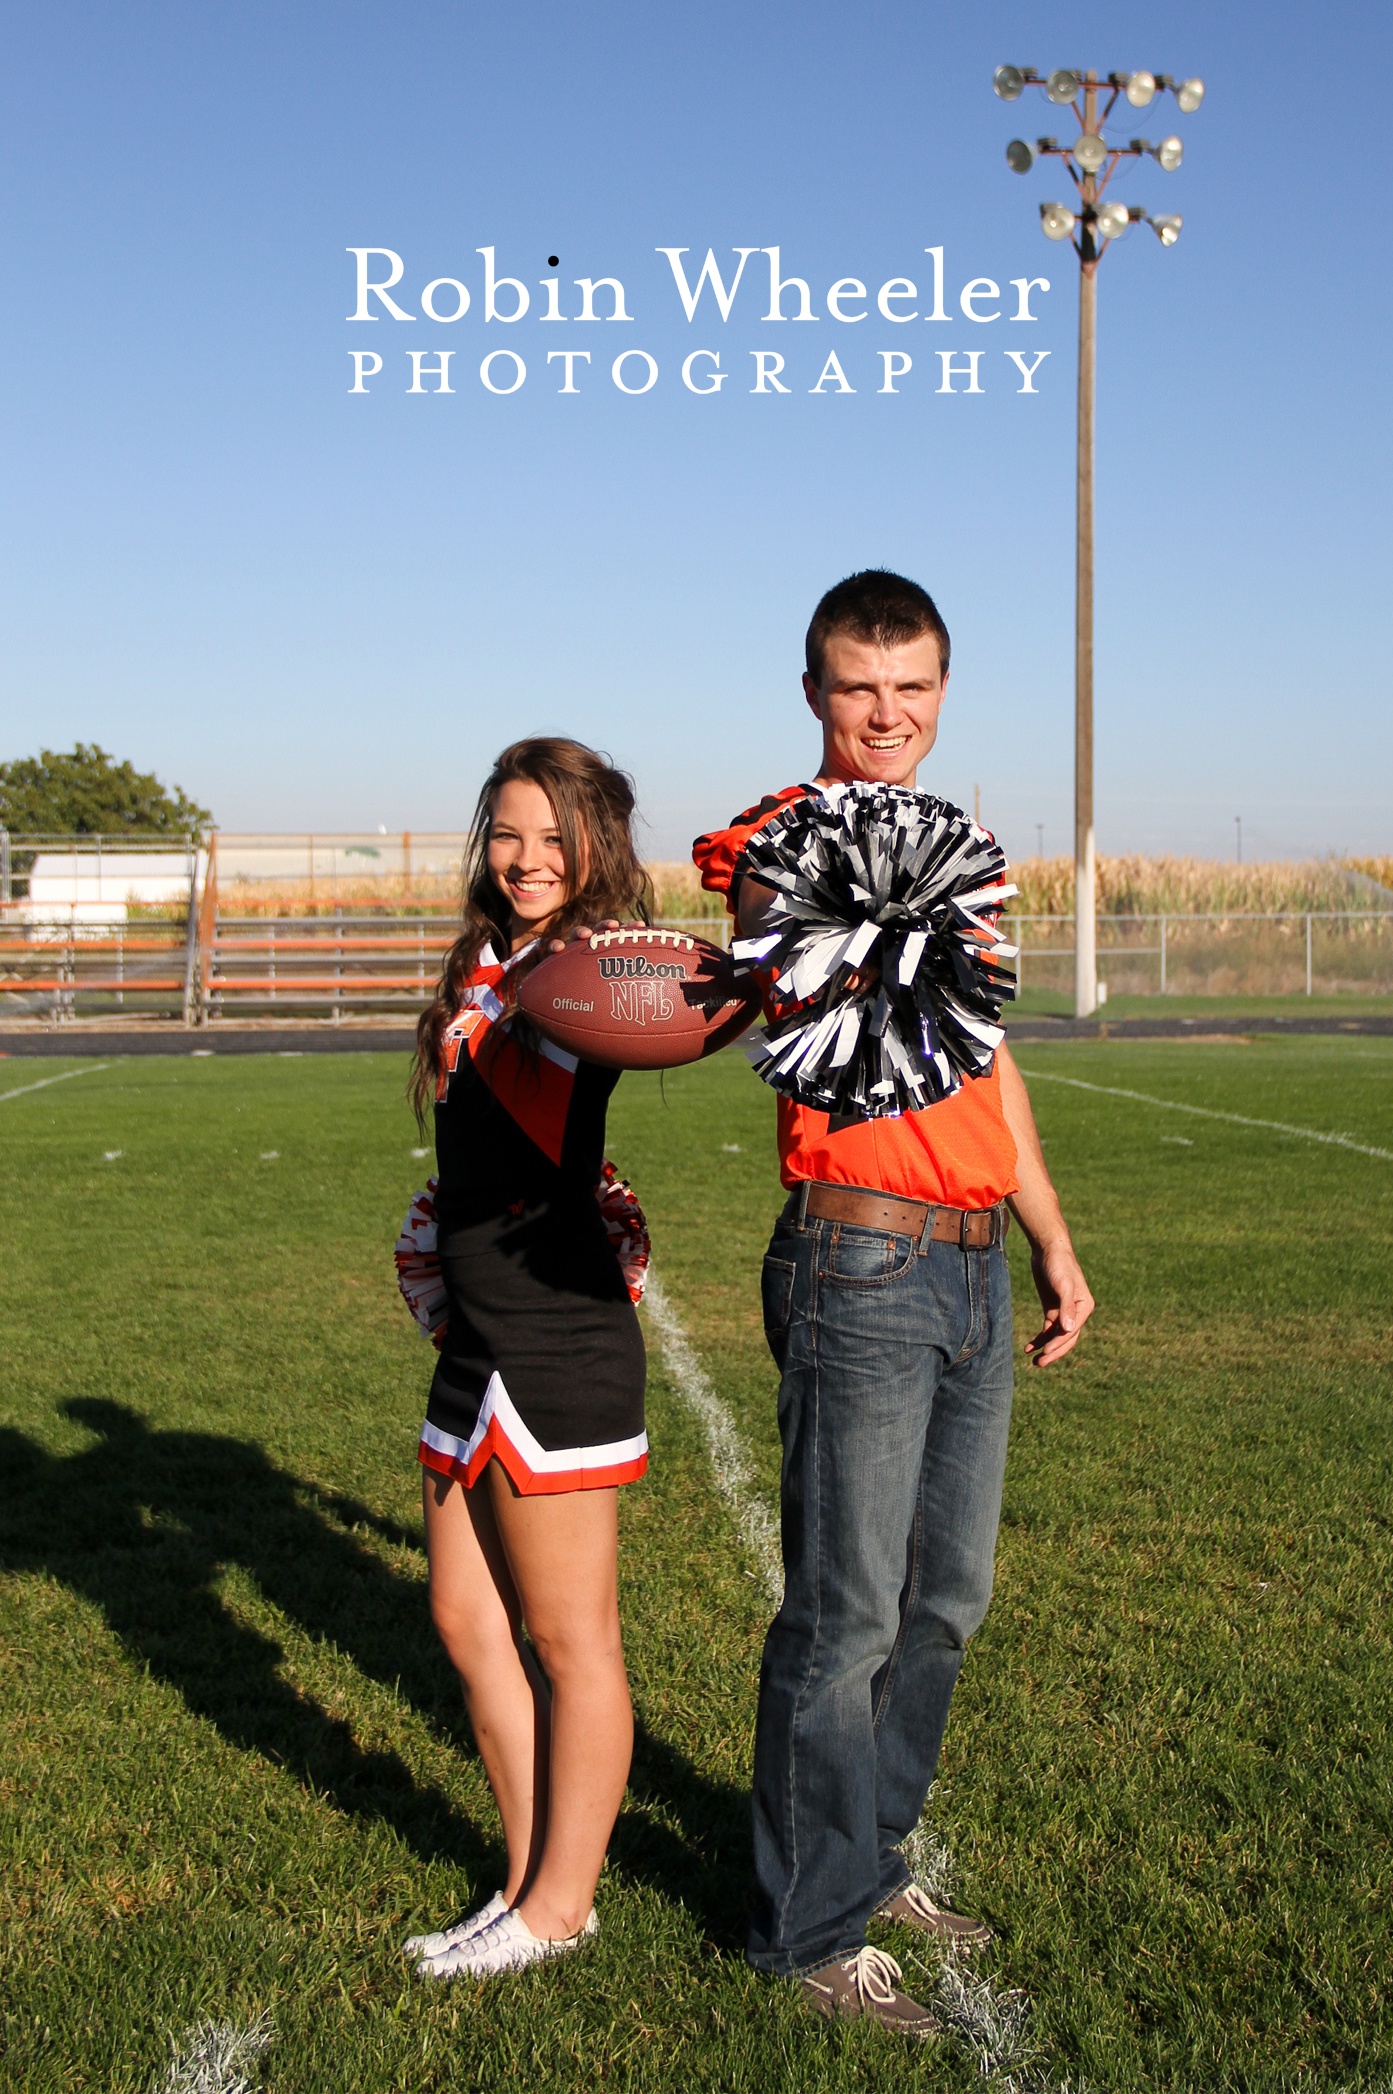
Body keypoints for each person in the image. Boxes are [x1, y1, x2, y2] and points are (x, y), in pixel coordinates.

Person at [692, 570, 1096, 2040]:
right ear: (813, 693)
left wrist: (1049, 1235)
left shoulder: (960, 851)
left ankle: (872, 1857)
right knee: (844, 1615)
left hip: (974, 1255)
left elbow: (980, 1056)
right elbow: (790, 964)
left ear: (940, 693)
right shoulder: (778, 843)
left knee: (945, 1600)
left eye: (911, 687)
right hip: (856, 1260)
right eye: (858, 687)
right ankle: (805, 1931)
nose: (885, 714)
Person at [401, 736, 652, 1981]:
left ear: (597, 844)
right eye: (508, 832)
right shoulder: (487, 962)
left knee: (571, 1641)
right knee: (461, 1616)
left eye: (555, 836)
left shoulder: (595, 971)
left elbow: (673, 1006)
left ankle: (566, 1906)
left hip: (559, 1335)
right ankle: (523, 1884)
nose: (527, 857)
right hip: (476, 1332)